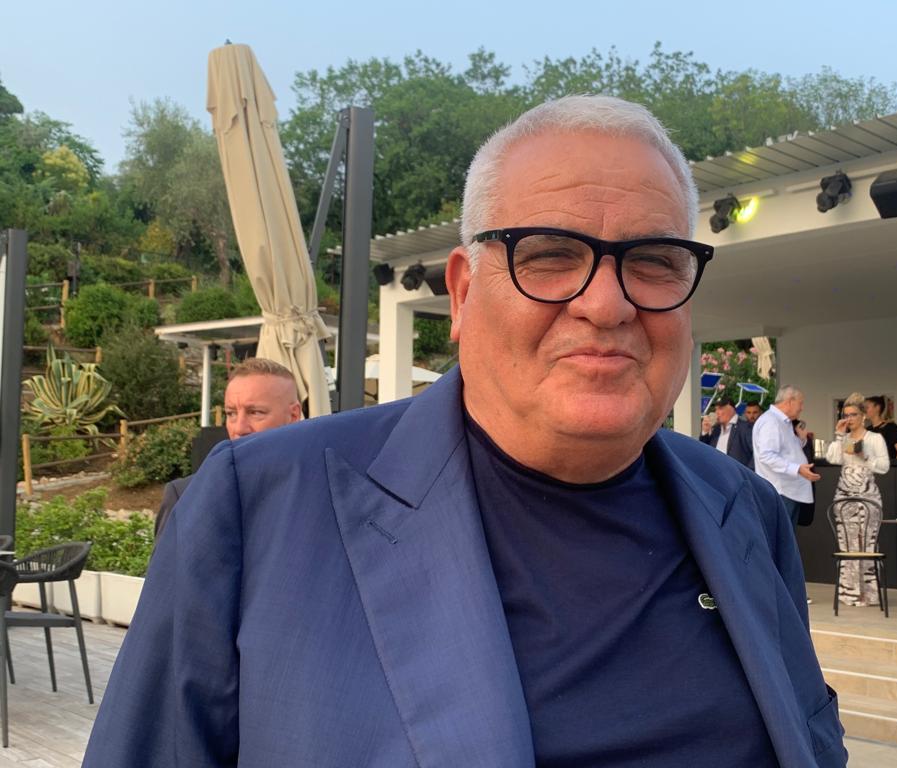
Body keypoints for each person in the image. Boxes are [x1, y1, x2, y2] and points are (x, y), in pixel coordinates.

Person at [84, 96, 845, 768]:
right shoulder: (260, 507)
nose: (608, 305)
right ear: (460, 293)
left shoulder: (744, 510)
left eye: (653, 261)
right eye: (550, 256)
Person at [152, 357, 301, 539]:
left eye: (255, 412)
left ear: (293, 416)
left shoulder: (321, 490)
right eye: (231, 413)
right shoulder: (186, 495)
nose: (239, 428)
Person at [825, 393, 890, 606]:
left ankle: (869, 593)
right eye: (846, 415)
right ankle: (849, 592)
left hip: (867, 496)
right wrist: (838, 435)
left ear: (863, 416)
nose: (849, 419)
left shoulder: (875, 439)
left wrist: (865, 457)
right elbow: (832, 458)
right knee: (847, 544)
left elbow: (884, 467)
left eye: (853, 414)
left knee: (867, 543)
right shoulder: (843, 439)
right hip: (844, 496)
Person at [753, 385, 821, 529]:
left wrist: (801, 441)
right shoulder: (771, 421)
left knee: (786, 535)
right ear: (790, 401)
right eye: (800, 403)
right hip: (781, 491)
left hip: (789, 491)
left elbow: (787, 451)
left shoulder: (783, 422)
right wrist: (797, 469)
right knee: (781, 535)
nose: (802, 408)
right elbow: (767, 455)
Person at [699, 396, 755, 468]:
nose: (716, 412)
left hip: (736, 473)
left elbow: (756, 453)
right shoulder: (716, 429)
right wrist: (705, 431)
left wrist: (746, 472)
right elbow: (703, 450)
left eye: (720, 409)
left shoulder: (745, 427)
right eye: (716, 409)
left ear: (731, 408)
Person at [863, 395, 897, 460]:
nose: (864, 411)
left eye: (867, 407)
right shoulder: (867, 430)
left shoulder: (890, 427)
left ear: (877, 408)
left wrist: (894, 466)